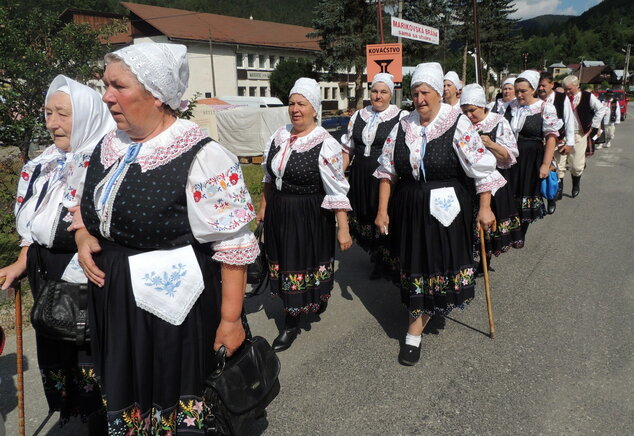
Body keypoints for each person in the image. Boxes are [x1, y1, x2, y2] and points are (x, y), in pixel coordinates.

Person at [74, 43, 259, 434]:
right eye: (105, 85)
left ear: (156, 94)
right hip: (116, 302)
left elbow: (233, 245)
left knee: (174, 399)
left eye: (118, 86)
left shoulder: (203, 157)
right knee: (129, 395)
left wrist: (230, 320)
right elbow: (88, 207)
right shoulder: (108, 147)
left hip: (174, 309)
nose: (106, 96)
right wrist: (83, 233)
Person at [0, 75, 115, 430]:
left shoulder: (106, 161)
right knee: (55, 346)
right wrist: (21, 260)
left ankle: (100, 416)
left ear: (87, 115)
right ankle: (73, 412)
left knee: (88, 350)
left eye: (63, 114)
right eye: (48, 113)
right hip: (45, 272)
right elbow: (33, 223)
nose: (52, 123)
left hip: (87, 273)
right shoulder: (43, 163)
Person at [373, 63, 506, 366]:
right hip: (410, 206)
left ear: (438, 94)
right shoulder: (402, 125)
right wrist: (382, 210)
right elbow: (387, 172)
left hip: (446, 206)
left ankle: (414, 330)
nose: (419, 99)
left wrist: (485, 207)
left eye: (425, 93)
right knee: (416, 261)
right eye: (415, 93)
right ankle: (423, 308)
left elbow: (482, 169)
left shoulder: (457, 124)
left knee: (436, 260)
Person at [257, 77, 352, 353]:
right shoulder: (279, 136)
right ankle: (302, 301)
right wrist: (263, 208)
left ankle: (291, 321)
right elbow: (267, 177)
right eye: (292, 103)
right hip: (279, 210)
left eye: (302, 104)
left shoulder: (325, 144)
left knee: (302, 261)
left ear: (314, 109)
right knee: (284, 261)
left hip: (308, 212)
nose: (295, 109)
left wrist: (342, 228)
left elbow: (336, 189)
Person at [341, 73, 407, 279]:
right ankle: (375, 252)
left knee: (384, 214)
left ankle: (384, 259)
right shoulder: (358, 116)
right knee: (365, 215)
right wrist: (339, 174)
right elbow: (347, 149)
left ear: (391, 94)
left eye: (383, 92)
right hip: (361, 173)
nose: (378, 96)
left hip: (386, 176)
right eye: (375, 91)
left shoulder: (401, 117)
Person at [460, 84, 522, 268]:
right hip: (467, 181)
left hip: (493, 180)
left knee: (487, 222)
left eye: (472, 110)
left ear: (483, 106)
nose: (469, 115)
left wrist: (491, 144)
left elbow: (509, 157)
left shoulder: (498, 122)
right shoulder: (463, 124)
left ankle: (485, 260)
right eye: (465, 111)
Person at [508, 70, 562, 237]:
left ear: (533, 89)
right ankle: (509, 228)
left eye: (523, 91)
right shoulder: (512, 106)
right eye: (517, 90)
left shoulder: (545, 107)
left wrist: (546, 165)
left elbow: (551, 138)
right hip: (511, 156)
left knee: (526, 193)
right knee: (510, 192)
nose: (519, 94)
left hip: (531, 157)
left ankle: (520, 232)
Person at [561, 75, 606, 197]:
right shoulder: (562, 97)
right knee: (560, 164)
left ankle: (576, 184)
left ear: (577, 85)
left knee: (576, 165)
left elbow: (601, 109)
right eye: (565, 89)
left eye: (569, 89)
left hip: (579, 134)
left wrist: (593, 126)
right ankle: (558, 191)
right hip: (563, 134)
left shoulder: (587, 96)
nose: (567, 91)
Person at [538, 72, 575, 214]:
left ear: (552, 85)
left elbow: (569, 119)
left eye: (544, 85)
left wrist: (570, 142)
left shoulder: (561, 98)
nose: (541, 88)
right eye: (539, 85)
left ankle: (551, 199)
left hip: (557, 141)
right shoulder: (534, 99)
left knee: (553, 170)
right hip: (539, 141)